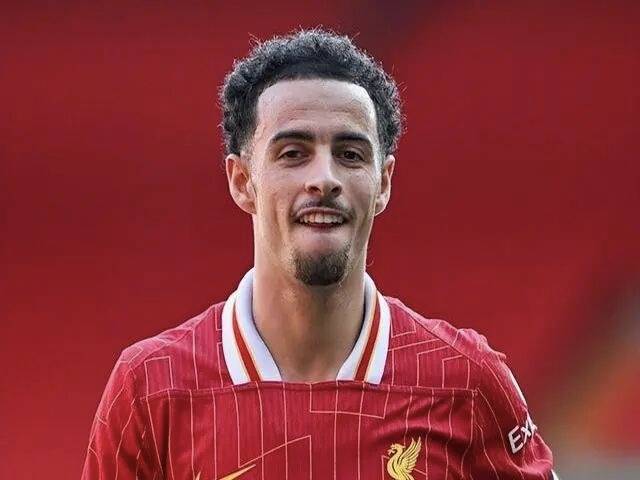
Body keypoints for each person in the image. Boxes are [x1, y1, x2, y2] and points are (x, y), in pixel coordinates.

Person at [82, 28, 557, 479]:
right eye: (293, 153)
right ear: (242, 181)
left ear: (383, 183)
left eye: (350, 154)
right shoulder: (151, 388)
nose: (324, 179)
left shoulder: (467, 381)